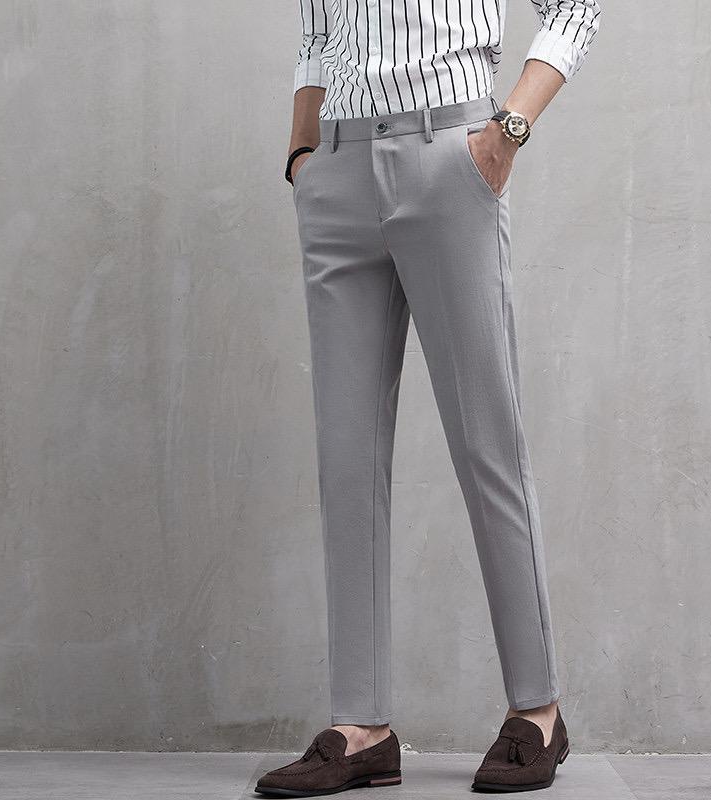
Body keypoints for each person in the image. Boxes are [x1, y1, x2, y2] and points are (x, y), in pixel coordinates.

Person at [257, 0, 601, 795]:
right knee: (347, 459)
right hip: (336, 168)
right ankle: (362, 725)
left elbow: (576, 9)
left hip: (450, 154)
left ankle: (538, 710)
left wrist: (506, 132)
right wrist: (303, 151)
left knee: (488, 446)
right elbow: (316, 32)